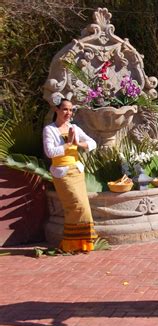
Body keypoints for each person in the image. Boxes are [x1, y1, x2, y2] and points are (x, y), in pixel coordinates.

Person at [43, 98, 98, 252]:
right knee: (75, 206)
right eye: (65, 109)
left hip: (77, 171)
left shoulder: (74, 128)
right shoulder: (50, 129)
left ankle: (82, 244)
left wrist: (78, 144)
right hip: (62, 173)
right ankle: (70, 244)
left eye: (71, 110)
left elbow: (92, 143)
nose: (68, 113)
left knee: (83, 207)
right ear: (57, 110)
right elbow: (49, 152)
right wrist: (67, 145)